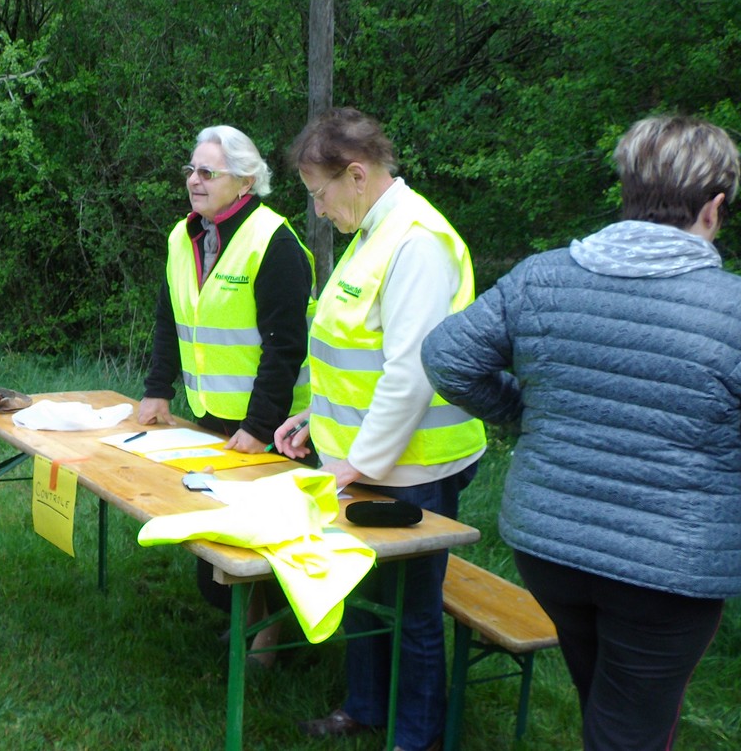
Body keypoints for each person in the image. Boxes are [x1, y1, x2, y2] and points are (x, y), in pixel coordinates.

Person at [422, 115, 741, 750]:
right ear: (714, 208)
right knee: (629, 725)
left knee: (608, 702)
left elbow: (447, 357)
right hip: (669, 565)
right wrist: (533, 416)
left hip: (550, 543)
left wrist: (531, 417)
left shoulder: (541, 279)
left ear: (627, 189)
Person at [275, 107, 486, 751]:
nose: (318, 208)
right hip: (367, 461)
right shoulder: (373, 232)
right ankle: (365, 707)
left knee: (415, 612)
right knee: (364, 594)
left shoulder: (417, 241)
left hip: (415, 467)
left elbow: (410, 373)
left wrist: (357, 462)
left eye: (319, 193)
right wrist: (315, 416)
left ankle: (415, 737)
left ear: (357, 175)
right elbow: (353, 351)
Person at [138, 124, 314, 657]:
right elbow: (170, 318)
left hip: (273, 428)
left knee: (258, 538)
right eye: (191, 169)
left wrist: (259, 428)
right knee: (216, 542)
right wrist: (156, 390)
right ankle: (249, 622)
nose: (194, 180)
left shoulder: (274, 242)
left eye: (206, 172)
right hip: (209, 415)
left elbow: (285, 349)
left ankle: (269, 638)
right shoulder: (182, 236)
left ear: (244, 180)